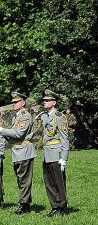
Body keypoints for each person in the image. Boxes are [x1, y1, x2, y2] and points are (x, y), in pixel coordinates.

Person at [0, 92, 36, 214]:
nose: (13, 104)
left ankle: (23, 205)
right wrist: (5, 133)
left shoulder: (24, 116)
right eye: (12, 102)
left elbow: (18, 133)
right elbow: (13, 135)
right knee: (21, 179)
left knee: (24, 180)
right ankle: (26, 203)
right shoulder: (15, 116)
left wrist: (3, 131)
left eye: (16, 102)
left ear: (23, 103)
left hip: (24, 151)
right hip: (17, 151)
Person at [38, 89, 69, 217]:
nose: (44, 102)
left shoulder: (59, 117)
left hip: (56, 153)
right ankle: (54, 206)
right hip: (47, 153)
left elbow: (64, 137)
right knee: (49, 182)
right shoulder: (44, 116)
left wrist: (64, 157)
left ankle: (61, 206)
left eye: (47, 100)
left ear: (54, 102)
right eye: (44, 100)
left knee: (59, 182)